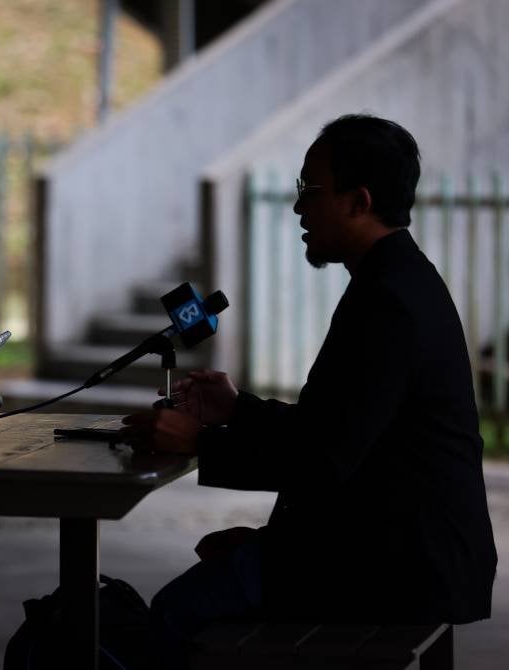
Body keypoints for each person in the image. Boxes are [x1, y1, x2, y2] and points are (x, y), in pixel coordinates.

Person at [121, 115, 497, 667]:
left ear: (359, 201)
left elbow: (322, 461)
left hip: (401, 566)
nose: (299, 206)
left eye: (311, 190)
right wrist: (238, 410)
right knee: (222, 573)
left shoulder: (389, 301)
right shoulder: (397, 280)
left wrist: (198, 442)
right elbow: (338, 429)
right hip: (390, 544)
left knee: (178, 610)